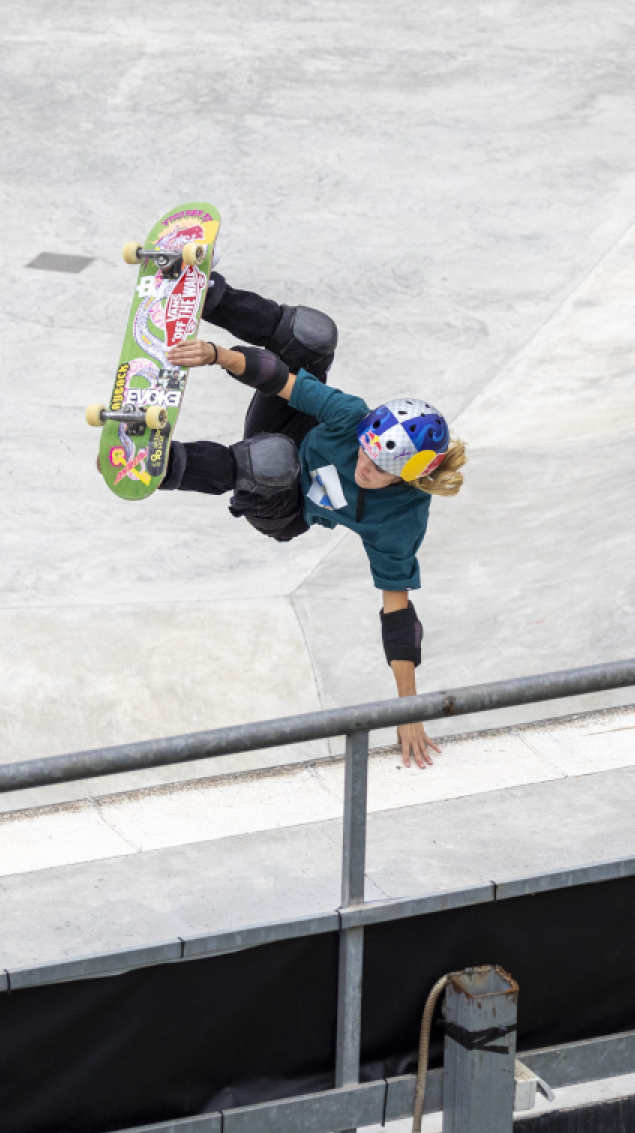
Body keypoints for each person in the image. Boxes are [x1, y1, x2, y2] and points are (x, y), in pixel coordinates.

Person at [160, 274, 468, 769]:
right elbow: (277, 379)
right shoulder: (352, 418)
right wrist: (217, 355)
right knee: (313, 335)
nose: (364, 466)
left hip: (283, 511)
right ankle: (204, 294)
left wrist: (409, 708)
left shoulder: (400, 521)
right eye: (365, 452)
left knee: (275, 461)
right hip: (283, 430)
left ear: (409, 476)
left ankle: (160, 466)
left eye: (379, 469)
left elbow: (399, 615)